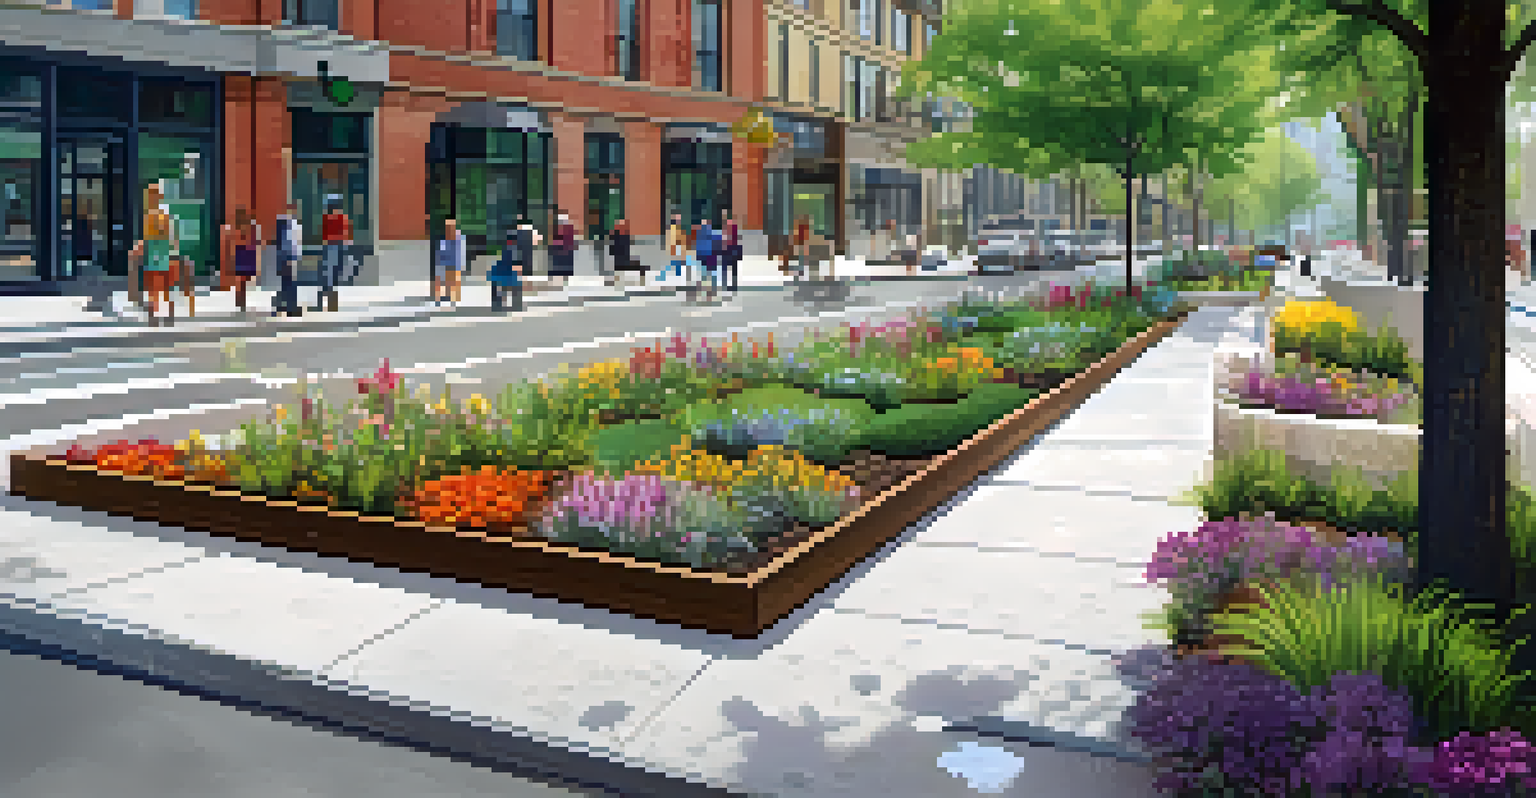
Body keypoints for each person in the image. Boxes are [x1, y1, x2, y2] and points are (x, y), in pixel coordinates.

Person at [135, 183, 177, 326]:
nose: (150, 199)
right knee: (156, 287)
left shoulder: (161, 216)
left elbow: (168, 236)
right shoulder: (150, 217)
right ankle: (156, 314)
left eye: (153, 196)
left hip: (161, 256)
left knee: (163, 287)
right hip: (154, 257)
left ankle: (164, 314)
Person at [224, 207, 262, 313]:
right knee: (241, 279)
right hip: (242, 253)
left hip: (243, 254)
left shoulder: (241, 228)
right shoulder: (242, 228)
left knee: (242, 279)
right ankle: (240, 301)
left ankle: (240, 300)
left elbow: (253, 242)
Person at [316, 200, 351, 312]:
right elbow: (345, 234)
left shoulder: (328, 218)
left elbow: (324, 234)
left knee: (329, 274)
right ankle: (331, 303)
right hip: (336, 246)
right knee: (333, 274)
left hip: (331, 246)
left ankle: (327, 301)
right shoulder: (342, 218)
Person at [490, 219, 528, 312]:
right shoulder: (514, 247)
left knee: (499, 278)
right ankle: (515, 304)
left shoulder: (511, 247)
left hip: (506, 271)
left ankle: (498, 304)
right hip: (508, 272)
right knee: (513, 279)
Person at [273, 202, 303, 317]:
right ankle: (289, 307)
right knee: (289, 284)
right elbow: (287, 243)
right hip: (286, 257)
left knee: (286, 283)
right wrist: (289, 257)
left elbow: (296, 242)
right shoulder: (284, 223)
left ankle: (284, 306)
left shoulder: (293, 224)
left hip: (288, 257)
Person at [435, 217, 467, 306]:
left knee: (455, 280)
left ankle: (456, 297)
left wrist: (462, 264)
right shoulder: (445, 239)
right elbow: (441, 251)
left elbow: (462, 251)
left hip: (456, 263)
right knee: (448, 281)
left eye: (450, 227)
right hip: (447, 262)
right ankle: (448, 295)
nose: (448, 229)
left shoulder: (459, 238)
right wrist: (440, 262)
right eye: (447, 227)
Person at [609, 218, 644, 288]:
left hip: (622, 263)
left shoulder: (623, 238)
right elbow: (614, 253)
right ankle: (641, 283)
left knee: (641, 265)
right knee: (642, 268)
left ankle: (641, 283)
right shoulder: (617, 238)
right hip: (620, 264)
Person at [550, 210, 576, 289]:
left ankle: (562, 280)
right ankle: (563, 280)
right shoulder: (563, 228)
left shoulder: (561, 228)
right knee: (562, 266)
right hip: (563, 250)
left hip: (563, 250)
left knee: (562, 266)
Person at [695, 217, 718, 300]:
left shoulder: (700, 233)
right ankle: (710, 290)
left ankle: (707, 290)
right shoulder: (711, 233)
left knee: (706, 274)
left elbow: (698, 245)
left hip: (705, 256)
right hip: (709, 256)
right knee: (709, 274)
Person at [721, 208, 741, 293]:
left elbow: (732, 237)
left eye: (724, 215)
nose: (723, 216)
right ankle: (731, 284)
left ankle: (730, 284)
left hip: (730, 248)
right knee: (730, 268)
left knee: (729, 267)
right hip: (729, 248)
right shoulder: (727, 225)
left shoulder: (730, 225)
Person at [665, 213, 687, 282]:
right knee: (673, 262)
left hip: (678, 248)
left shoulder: (681, 230)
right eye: (677, 218)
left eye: (679, 219)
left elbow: (683, 241)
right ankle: (673, 276)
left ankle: (677, 276)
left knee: (677, 263)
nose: (678, 220)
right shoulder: (671, 229)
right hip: (674, 248)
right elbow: (669, 240)